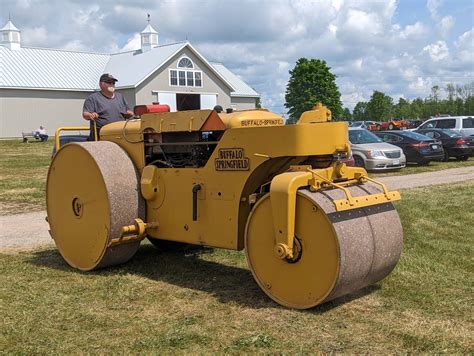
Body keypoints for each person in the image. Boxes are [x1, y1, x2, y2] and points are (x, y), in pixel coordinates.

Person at [82, 73, 134, 140]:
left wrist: (130, 113)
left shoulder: (120, 97)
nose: (112, 84)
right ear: (101, 84)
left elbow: (128, 111)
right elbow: (85, 114)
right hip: (101, 138)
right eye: (109, 82)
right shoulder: (93, 98)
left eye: (113, 83)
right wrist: (91, 115)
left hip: (120, 136)